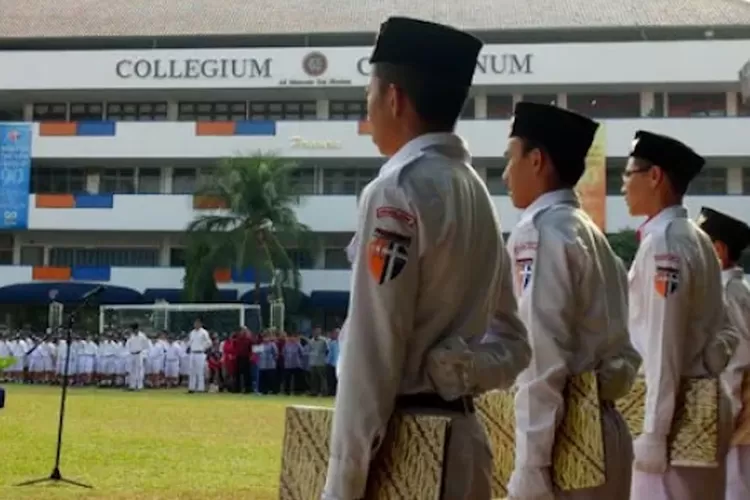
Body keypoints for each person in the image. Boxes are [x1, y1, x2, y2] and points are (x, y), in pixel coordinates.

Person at [323, 17, 531, 500]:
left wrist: (342, 484)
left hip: (403, 452)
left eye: (369, 95)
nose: (367, 110)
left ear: (394, 98)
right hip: (463, 442)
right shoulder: (477, 193)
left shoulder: (396, 189)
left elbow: (372, 351)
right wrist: (460, 371)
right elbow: (515, 346)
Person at [499, 102, 641, 499]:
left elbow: (540, 357)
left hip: (565, 441)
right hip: (603, 427)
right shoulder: (592, 236)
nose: (507, 174)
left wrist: (531, 465)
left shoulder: (541, 234)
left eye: (512, 159)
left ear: (537, 160)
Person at [622, 130, 739, 500]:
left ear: (654, 176)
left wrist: (655, 433)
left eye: (628, 174)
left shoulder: (664, 244)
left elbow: (662, 342)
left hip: (673, 421)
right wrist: (706, 360)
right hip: (697, 404)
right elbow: (726, 332)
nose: (623, 184)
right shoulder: (696, 238)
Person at [695, 207, 750, 500]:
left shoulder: (729, 293)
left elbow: (737, 361)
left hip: (737, 407)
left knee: (735, 486)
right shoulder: (728, 289)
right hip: (734, 405)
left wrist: (727, 414)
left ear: (718, 250)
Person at [186, 318, 211, 393]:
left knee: (200, 371)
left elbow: (209, 342)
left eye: (197, 323)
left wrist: (203, 348)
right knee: (192, 371)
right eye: (195, 323)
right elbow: (190, 341)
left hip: (200, 353)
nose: (196, 325)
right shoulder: (192, 332)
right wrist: (188, 347)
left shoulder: (204, 332)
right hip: (193, 352)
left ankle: (201, 388)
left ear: (200, 324)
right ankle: (191, 388)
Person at [125, 323, 149, 391]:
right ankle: (132, 386)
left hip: (139, 354)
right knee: (132, 370)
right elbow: (128, 345)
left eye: (132, 329)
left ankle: (139, 386)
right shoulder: (131, 336)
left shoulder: (142, 336)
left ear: (136, 329)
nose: (131, 330)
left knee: (139, 370)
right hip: (132, 354)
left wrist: (144, 356)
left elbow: (146, 347)